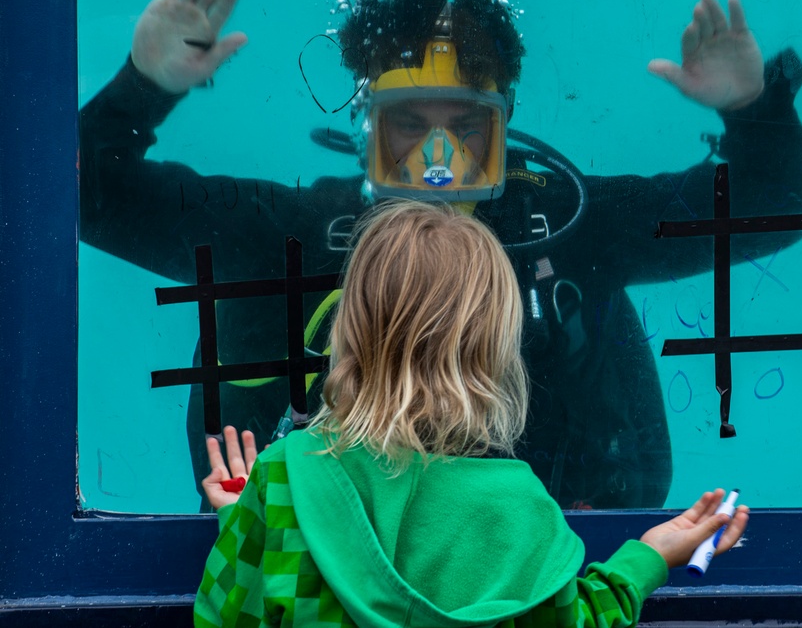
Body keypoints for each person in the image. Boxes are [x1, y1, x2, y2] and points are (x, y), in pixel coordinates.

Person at [79, 0, 802, 510]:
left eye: (466, 129)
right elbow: (78, 194)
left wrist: (755, 108)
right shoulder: (292, 236)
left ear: (506, 128)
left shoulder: (559, 226)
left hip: (545, 574)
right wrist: (143, 85)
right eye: (408, 130)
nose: (437, 167)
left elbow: (775, 206)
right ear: (366, 132)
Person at [193, 200, 751, 627]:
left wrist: (247, 520)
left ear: (349, 334)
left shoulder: (286, 475)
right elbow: (573, 621)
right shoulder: (520, 510)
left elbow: (226, 615)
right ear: (496, 356)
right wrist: (648, 558)